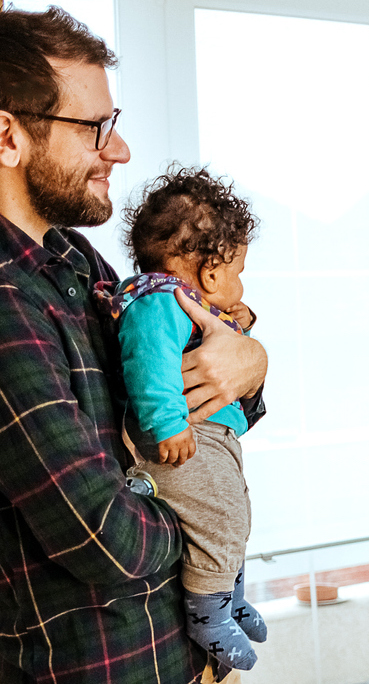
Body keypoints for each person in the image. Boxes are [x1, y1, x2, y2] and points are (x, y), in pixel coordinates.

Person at [0, 8, 266, 684]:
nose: (119, 150)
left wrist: (250, 362)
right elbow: (105, 536)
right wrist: (214, 517)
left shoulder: (72, 258)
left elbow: (174, 374)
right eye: (94, 127)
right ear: (7, 137)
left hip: (185, 661)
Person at [112, 166, 270, 671]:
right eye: (237, 270)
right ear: (209, 272)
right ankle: (207, 610)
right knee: (220, 513)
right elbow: (150, 364)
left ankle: (226, 595)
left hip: (211, 436)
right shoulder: (160, 303)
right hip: (183, 440)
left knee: (233, 511)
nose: (241, 282)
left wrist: (240, 325)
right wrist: (167, 425)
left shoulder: (187, 304)